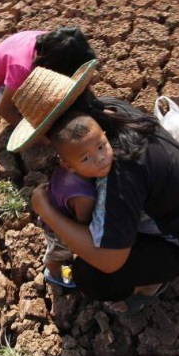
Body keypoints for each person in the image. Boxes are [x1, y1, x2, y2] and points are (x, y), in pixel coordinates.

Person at [7, 64, 179, 315]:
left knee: (92, 276)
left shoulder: (116, 169)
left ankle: (148, 285)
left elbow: (109, 260)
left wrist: (46, 210)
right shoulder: (109, 111)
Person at [0, 27, 96, 126]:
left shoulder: (57, 42)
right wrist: (41, 138)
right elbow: (4, 109)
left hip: (14, 65)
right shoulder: (22, 68)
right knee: (49, 113)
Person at [41, 115, 102, 287]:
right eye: (86, 158)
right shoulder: (84, 196)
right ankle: (56, 275)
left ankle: (61, 268)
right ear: (68, 165)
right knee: (58, 256)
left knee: (61, 254)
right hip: (59, 230)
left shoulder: (68, 169)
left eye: (100, 147)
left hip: (52, 214)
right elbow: (83, 225)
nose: (99, 158)